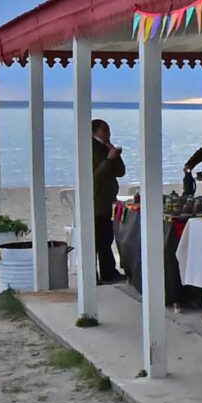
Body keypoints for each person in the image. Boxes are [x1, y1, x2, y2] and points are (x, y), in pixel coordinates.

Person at [89, 120, 125, 285]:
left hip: (108, 200)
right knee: (96, 239)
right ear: (94, 132)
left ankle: (108, 271)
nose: (108, 133)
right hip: (96, 200)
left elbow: (120, 172)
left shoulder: (105, 147)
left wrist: (114, 156)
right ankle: (93, 274)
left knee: (106, 238)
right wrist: (109, 160)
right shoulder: (90, 148)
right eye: (104, 130)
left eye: (109, 130)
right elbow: (94, 177)